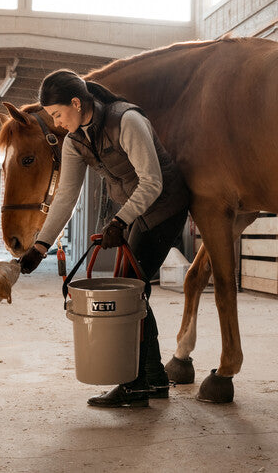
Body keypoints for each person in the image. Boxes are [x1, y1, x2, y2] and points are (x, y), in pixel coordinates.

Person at [19, 69, 190, 407]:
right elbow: (66, 197)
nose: (56, 122)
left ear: (75, 102)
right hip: (134, 212)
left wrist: (119, 220)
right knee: (133, 290)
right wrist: (41, 245)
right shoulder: (74, 141)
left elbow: (153, 182)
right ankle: (152, 377)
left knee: (129, 288)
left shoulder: (126, 121)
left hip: (165, 206)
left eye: (57, 114)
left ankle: (139, 382)